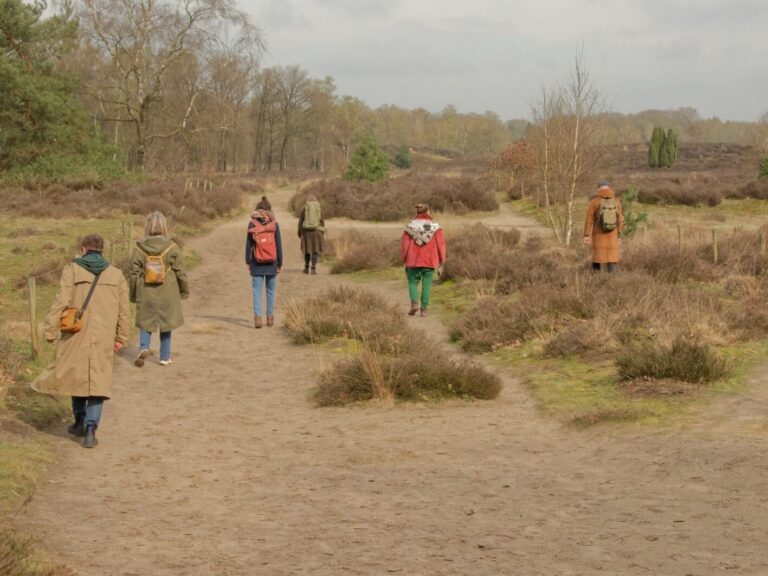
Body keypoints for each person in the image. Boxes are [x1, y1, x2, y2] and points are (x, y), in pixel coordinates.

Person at [35, 234, 130, 448]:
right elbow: (125, 310)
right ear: (102, 250)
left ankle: (78, 421)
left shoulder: (72, 269)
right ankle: (90, 429)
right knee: (98, 381)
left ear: (83, 248)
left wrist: (50, 330)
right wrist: (121, 338)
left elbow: (60, 301)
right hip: (104, 335)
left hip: (76, 332)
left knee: (75, 375)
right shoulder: (116, 274)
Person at [129, 211, 189, 366]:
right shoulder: (172, 247)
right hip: (167, 291)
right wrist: (184, 290)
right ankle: (164, 356)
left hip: (146, 291)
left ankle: (144, 347)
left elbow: (133, 274)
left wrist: (133, 294)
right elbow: (181, 272)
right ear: (164, 226)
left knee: (145, 321)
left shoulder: (139, 248)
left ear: (147, 226)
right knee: (166, 323)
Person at [401, 203, 446, 317]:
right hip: (430, 261)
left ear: (417, 212)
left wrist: (404, 260)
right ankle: (424, 309)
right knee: (427, 285)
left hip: (413, 260)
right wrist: (442, 260)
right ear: (428, 212)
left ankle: (414, 303)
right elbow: (441, 244)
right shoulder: (436, 226)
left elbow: (405, 245)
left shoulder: (410, 225)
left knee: (412, 282)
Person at [246, 197, 283, 328]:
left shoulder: (252, 224)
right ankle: (270, 319)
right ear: (269, 209)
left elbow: (249, 245)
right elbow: (278, 245)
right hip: (272, 262)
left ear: (258, 209)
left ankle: (257, 319)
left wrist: (248, 262)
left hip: (256, 263)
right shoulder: (274, 224)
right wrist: (280, 263)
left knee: (257, 291)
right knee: (271, 291)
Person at [584, 180, 624, 272]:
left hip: (598, 235)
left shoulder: (594, 201)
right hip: (612, 235)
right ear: (609, 188)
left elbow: (589, 220)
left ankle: (596, 278)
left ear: (599, 189)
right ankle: (611, 280)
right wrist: (619, 235)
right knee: (611, 257)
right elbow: (620, 219)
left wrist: (586, 235)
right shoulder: (616, 201)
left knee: (597, 257)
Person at [297, 194, 325, 274]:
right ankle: (313, 269)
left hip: (306, 232)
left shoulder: (305, 208)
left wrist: (299, 232)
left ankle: (306, 268)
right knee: (315, 250)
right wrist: (322, 231)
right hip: (317, 231)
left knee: (307, 250)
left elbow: (300, 221)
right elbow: (322, 220)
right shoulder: (318, 208)